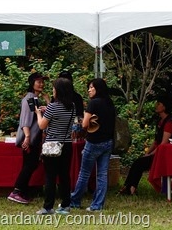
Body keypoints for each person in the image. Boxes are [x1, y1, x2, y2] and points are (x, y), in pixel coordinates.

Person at [70, 78, 116, 211]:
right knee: (102, 174)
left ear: (98, 89)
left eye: (91, 87)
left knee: (84, 172)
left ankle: (75, 201)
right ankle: (97, 205)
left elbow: (84, 124)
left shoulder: (93, 103)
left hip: (93, 142)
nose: (89, 90)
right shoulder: (109, 102)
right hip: (108, 142)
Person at [118, 96, 172, 195]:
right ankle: (129, 186)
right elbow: (156, 141)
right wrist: (147, 152)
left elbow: (163, 144)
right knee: (138, 162)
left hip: (165, 155)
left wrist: (151, 154)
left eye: (159, 104)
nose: (156, 106)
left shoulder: (170, 123)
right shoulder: (160, 122)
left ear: (164, 107)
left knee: (139, 163)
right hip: (157, 152)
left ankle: (131, 188)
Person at [35, 77, 77, 215]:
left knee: (50, 177)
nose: (52, 91)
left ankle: (48, 207)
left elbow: (42, 125)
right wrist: (48, 109)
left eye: (53, 88)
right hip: (66, 145)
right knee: (64, 176)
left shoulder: (53, 107)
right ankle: (65, 205)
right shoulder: (72, 106)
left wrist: (38, 114)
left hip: (52, 145)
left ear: (58, 91)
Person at [7, 72, 50, 204]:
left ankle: (23, 191)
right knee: (30, 164)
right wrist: (27, 137)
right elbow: (25, 120)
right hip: (30, 138)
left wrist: (47, 103)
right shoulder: (29, 98)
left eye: (42, 81)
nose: (41, 84)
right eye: (38, 81)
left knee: (30, 164)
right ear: (32, 83)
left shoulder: (35, 99)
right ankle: (16, 191)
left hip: (34, 138)